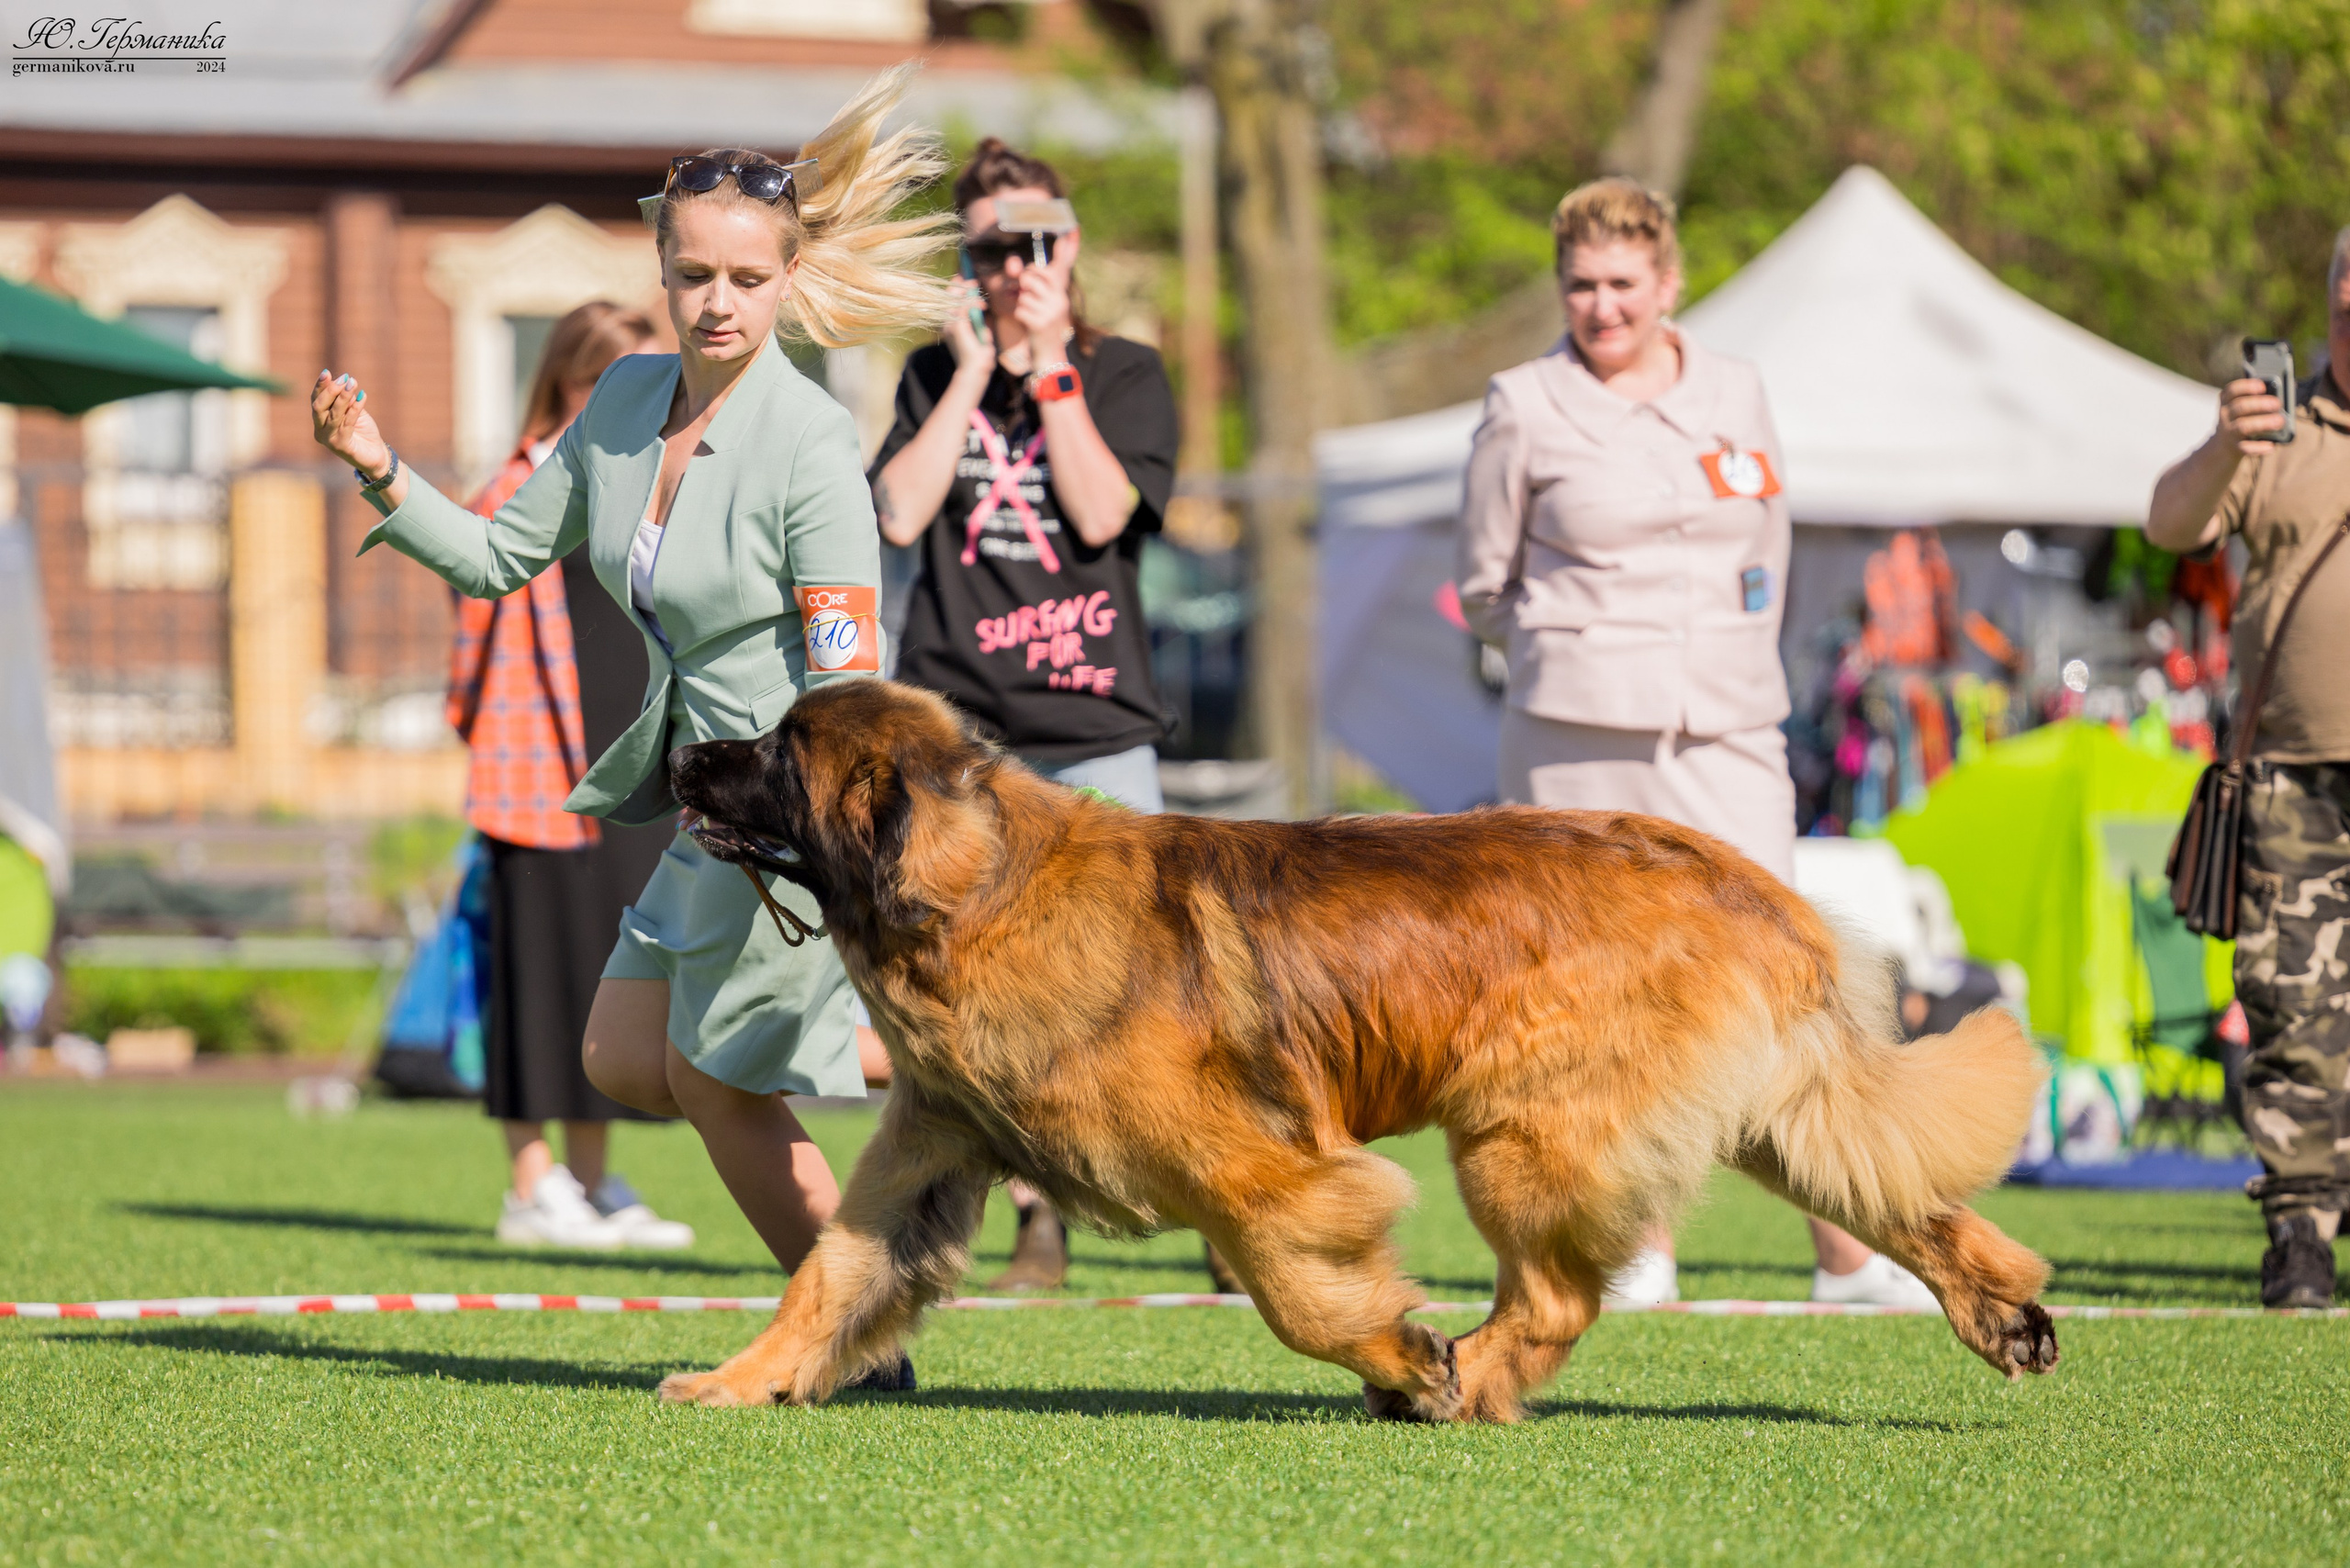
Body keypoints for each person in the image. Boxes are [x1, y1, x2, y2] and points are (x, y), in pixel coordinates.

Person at [311, 67, 956, 1381]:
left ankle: (858, 1329)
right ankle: (901, 1105)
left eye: (748, 278)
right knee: (622, 1055)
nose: (719, 301)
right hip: (702, 801)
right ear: (661, 268)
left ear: (788, 281)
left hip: (787, 815)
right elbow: (498, 558)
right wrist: (378, 466)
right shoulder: (616, 402)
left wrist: (825, 845)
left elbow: (850, 683)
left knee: (715, 1081)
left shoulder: (810, 442)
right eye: (696, 273)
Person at [1455, 176, 1935, 1311]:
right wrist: (1576, 642)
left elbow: (1765, 545)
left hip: (1728, 723)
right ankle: (1637, 1244)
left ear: (1668, 284)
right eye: (1581, 284)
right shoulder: (1522, 402)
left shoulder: (1737, 389)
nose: (1602, 305)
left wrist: (1719, 654)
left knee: (1785, 973)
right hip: (1574, 735)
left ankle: (1849, 1250)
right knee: (1597, 996)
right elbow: (1482, 585)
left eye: (1624, 282)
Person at [867, 137, 1180, 1290]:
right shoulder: (930, 373)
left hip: (1097, 723)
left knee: (1148, 979)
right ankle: (1034, 1215)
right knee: (986, 981)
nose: (1014, 267)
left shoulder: (1126, 371)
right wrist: (966, 374)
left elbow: (1099, 515)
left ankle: (1198, 1188)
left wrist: (1049, 370)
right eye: (991, 248)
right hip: (969, 738)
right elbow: (898, 513)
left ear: (1071, 244)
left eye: (1036, 242)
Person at [449, 300, 695, 1251]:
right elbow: (471, 642)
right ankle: (529, 1187)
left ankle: (590, 1183)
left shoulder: (652, 480)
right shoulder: (515, 485)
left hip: (631, 768)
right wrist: (485, 739)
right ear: (571, 379)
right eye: (623, 375)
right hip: (533, 773)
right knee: (532, 981)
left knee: (611, 978)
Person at [2147, 224, 2350, 1309]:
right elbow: (2168, 523)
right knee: (2290, 1015)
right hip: (2289, 777)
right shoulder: (2275, 431)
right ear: (2331, 303)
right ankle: (2301, 1232)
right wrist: (2227, 442)